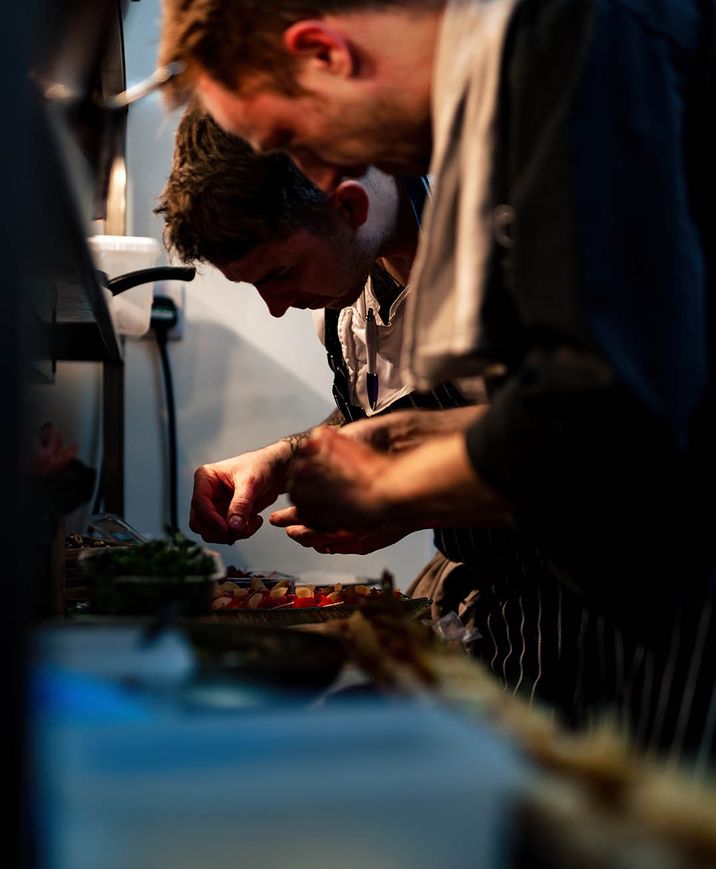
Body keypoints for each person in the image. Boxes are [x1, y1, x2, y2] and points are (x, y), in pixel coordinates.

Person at [157, 1, 716, 765]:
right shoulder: (501, 108)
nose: (328, 178)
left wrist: (393, 487)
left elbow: (604, 413)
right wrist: (305, 455)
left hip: (667, 598)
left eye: (292, 140)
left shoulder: (571, 39)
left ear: (326, 51)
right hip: (564, 609)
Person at [156, 105, 487, 628]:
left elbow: (587, 441)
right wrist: (283, 460)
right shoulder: (346, 301)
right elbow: (382, 418)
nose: (276, 305)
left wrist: (407, 500)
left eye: (282, 272)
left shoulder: (502, 252)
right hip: (490, 601)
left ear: (350, 206)